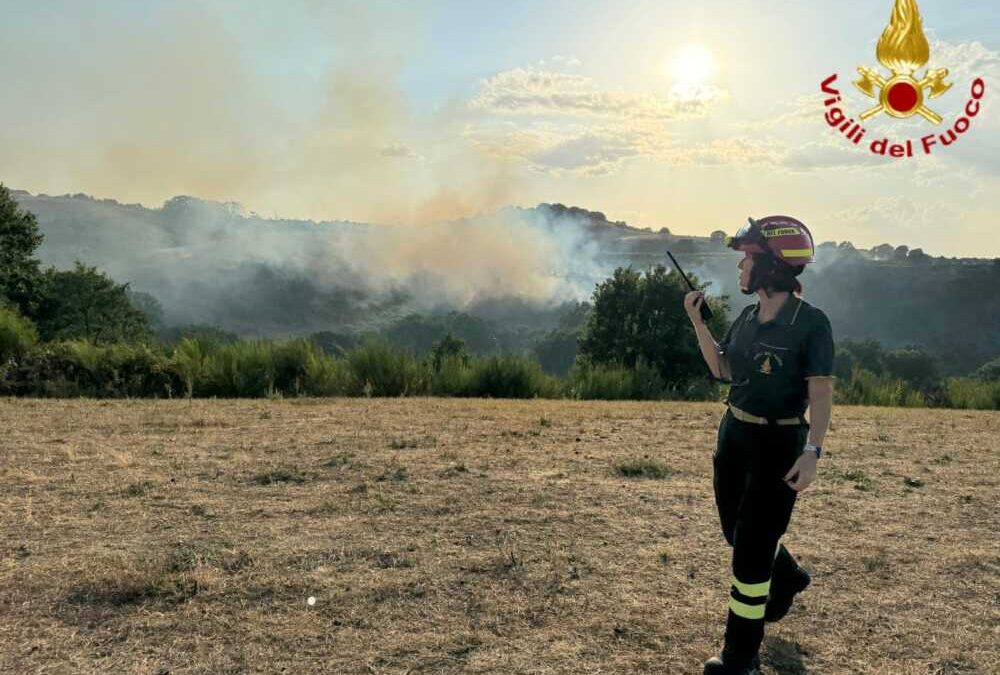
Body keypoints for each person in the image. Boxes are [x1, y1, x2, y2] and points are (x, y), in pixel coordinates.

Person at [683, 216, 835, 675]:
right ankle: (787, 577)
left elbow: (821, 391)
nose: (739, 268)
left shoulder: (810, 323)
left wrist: (813, 450)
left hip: (780, 442)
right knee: (737, 532)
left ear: (770, 266)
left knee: (751, 548)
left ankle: (740, 658)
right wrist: (696, 320)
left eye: (747, 258)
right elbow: (722, 369)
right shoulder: (748, 317)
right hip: (734, 435)